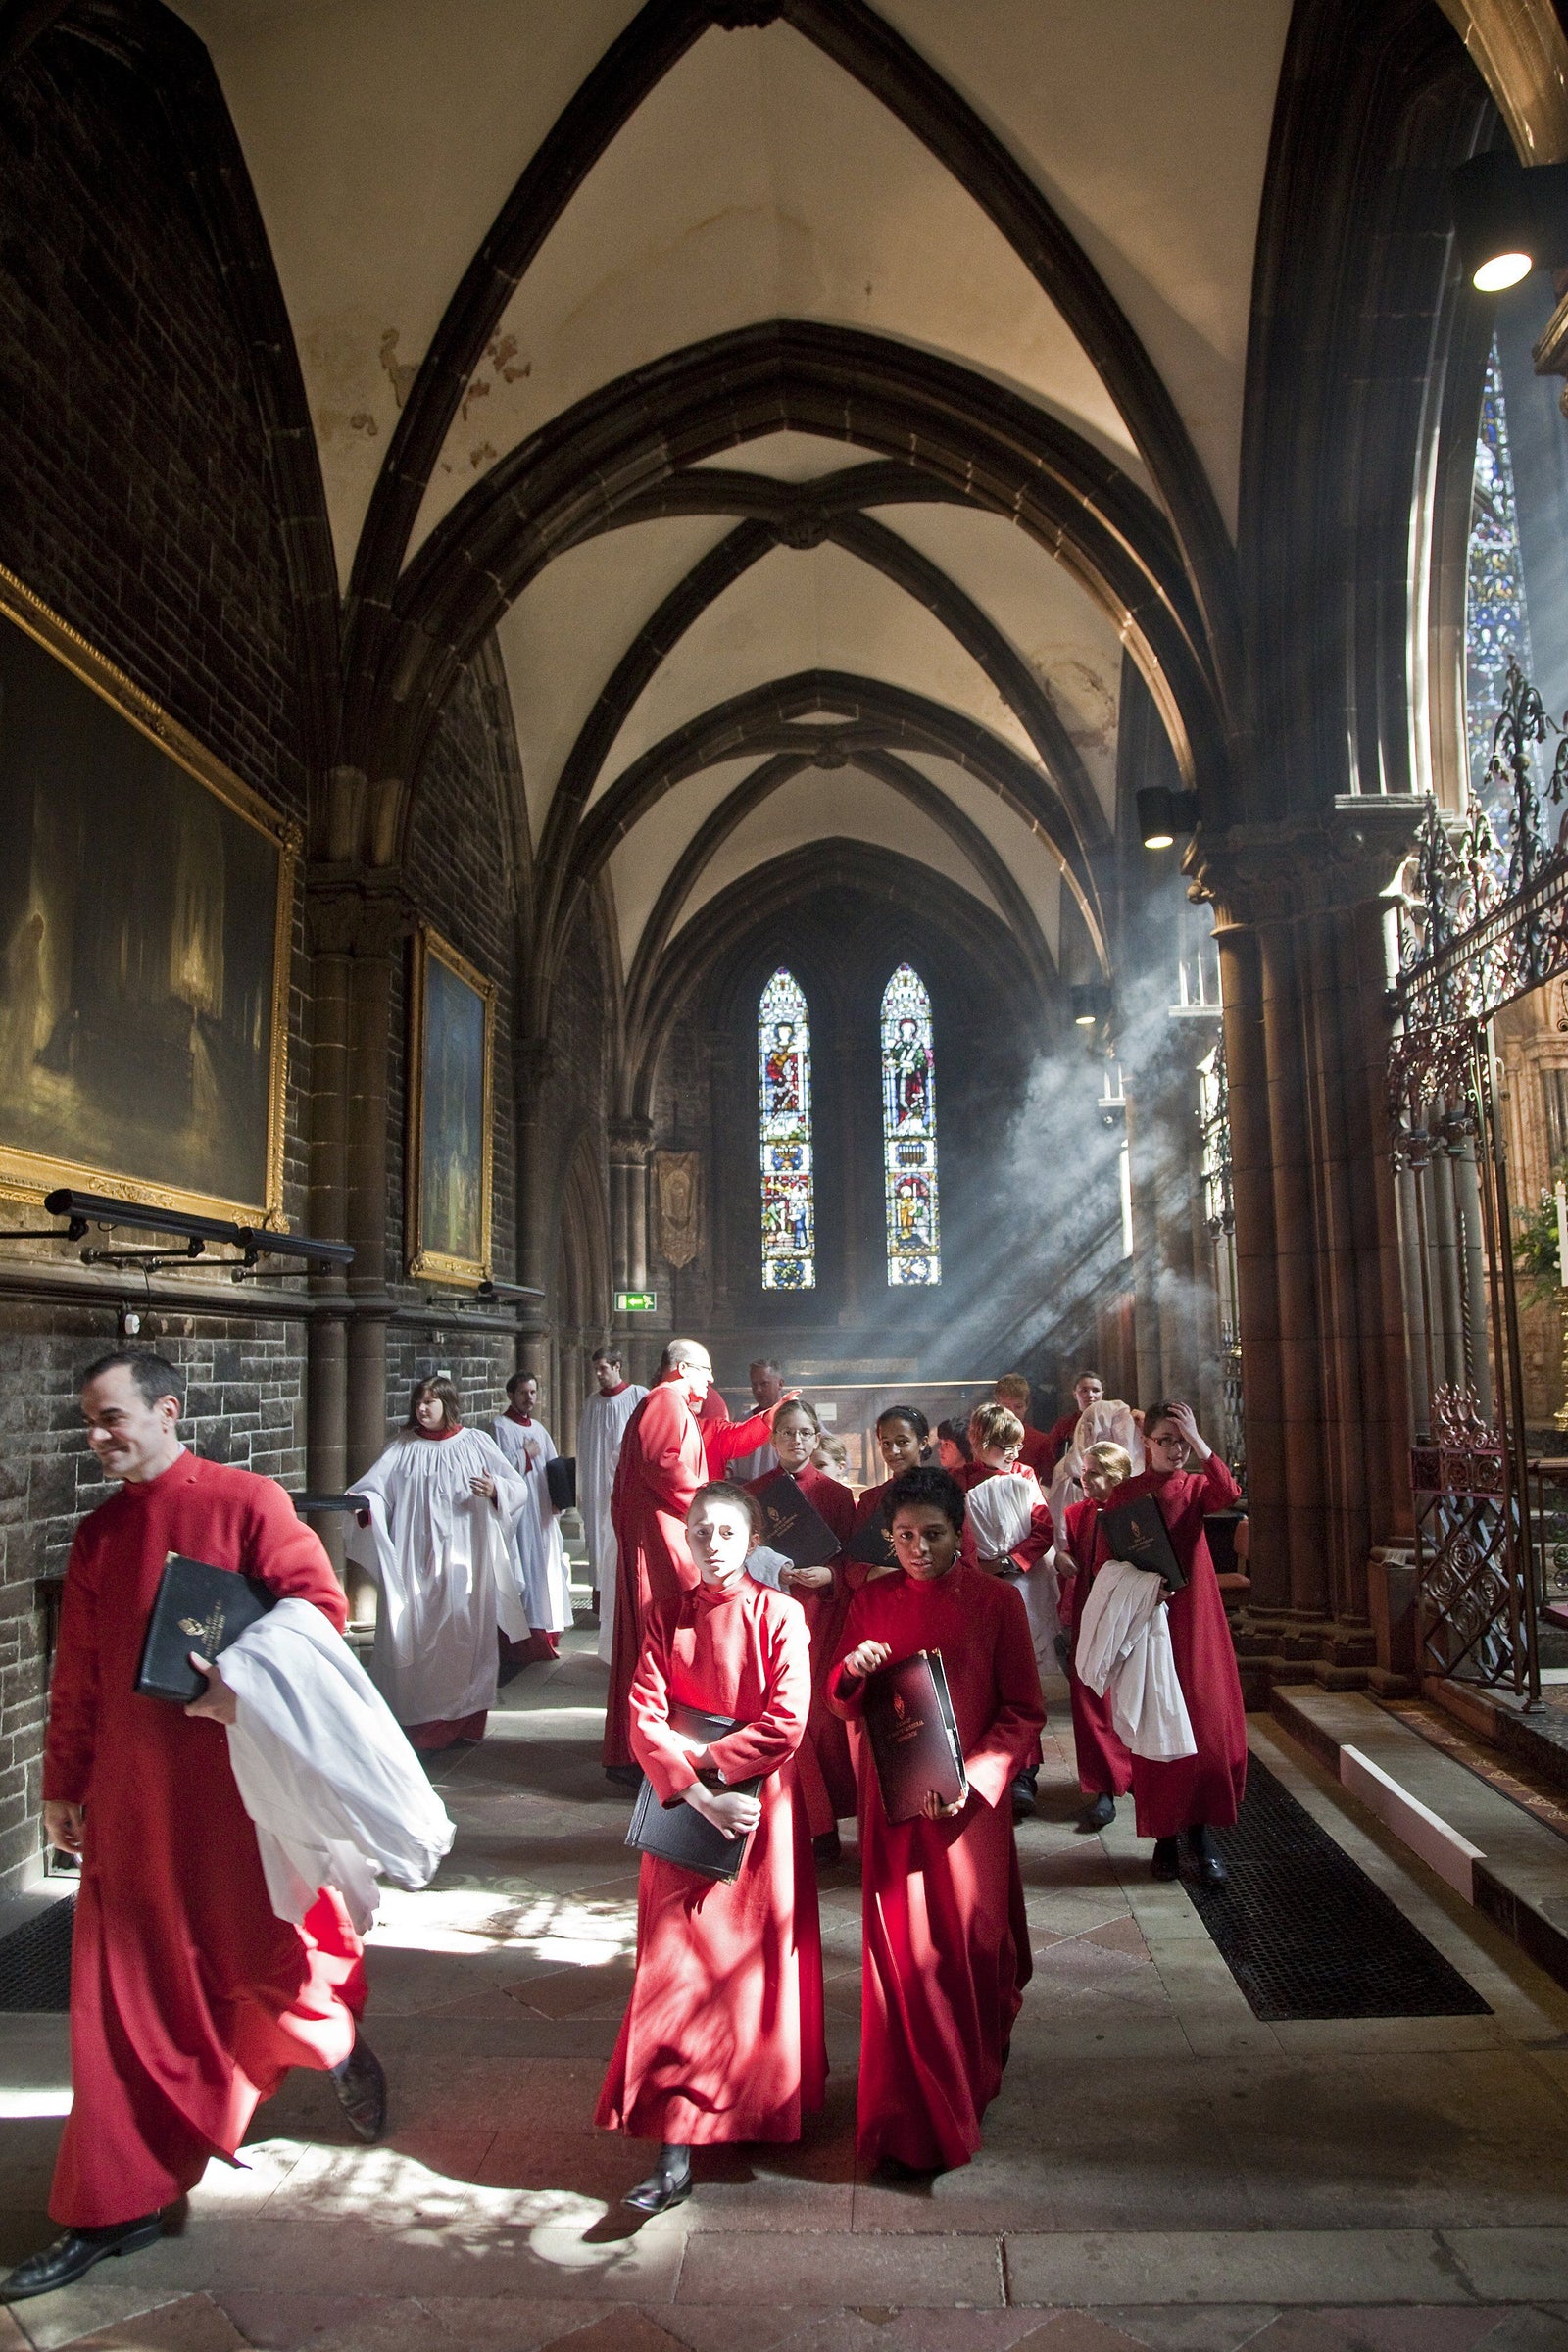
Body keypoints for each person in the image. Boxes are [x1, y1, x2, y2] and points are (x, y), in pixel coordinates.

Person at [2, 1353, 384, 2304]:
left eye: (112, 1419)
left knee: (249, 1959)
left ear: (167, 1410)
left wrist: (239, 1682)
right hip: (132, 1800)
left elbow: (318, 1610)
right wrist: (63, 1784)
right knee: (114, 1997)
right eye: (90, 1422)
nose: (98, 1438)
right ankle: (111, 2203)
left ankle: (331, 2033)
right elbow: (81, 1674)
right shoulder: (97, 1535)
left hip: (225, 1792)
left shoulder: (246, 1502)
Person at [596, 1481, 825, 2212]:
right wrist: (699, 1793)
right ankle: (674, 2143)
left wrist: (716, 1773)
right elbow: (644, 1717)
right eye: (701, 1533)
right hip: (687, 1815)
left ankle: (753, 2104)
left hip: (759, 1819)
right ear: (687, 1540)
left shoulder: (781, 1613)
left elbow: (787, 1722)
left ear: (752, 1540)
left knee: (751, 1969)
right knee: (675, 1968)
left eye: (727, 1533)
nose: (714, 1546)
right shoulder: (665, 1616)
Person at [828, 1466, 1045, 2177]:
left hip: (967, 1815)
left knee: (971, 1948)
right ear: (888, 1538)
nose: (919, 1548)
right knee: (902, 1963)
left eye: (934, 1534)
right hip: (896, 1810)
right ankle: (908, 2122)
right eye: (905, 1536)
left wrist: (977, 1781)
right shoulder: (871, 1598)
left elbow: (1023, 1713)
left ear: (961, 1534)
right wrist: (852, 1673)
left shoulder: (997, 1604)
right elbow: (841, 1701)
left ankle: (971, 2073)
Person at [602, 1338, 781, 1778]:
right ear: (681, 1369)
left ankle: (651, 1744)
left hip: (666, 1531)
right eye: (705, 1371)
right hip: (664, 1539)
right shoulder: (665, 1401)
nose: (712, 1380)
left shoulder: (672, 1404)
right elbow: (665, 1466)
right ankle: (650, 1748)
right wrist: (711, 1505)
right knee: (664, 1632)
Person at [1085, 1400, 1246, 1885]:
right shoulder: (1126, 1494)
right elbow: (1106, 1564)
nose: (1175, 1450)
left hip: (1197, 1619)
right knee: (1156, 1725)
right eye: (1166, 1440)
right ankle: (1165, 1839)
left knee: (1204, 1727)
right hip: (1148, 1620)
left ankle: (1202, 1836)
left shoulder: (1195, 1486)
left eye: (1182, 1441)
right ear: (1146, 1442)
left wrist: (1200, 1442)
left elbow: (1228, 1492)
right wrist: (1141, 1585)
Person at [347, 1375, 529, 1750]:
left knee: (464, 1633)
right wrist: (370, 1509)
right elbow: (372, 1490)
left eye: (430, 1402)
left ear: (448, 1404)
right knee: (414, 1629)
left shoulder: (475, 1443)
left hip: (467, 1557)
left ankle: (464, 1720)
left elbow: (517, 1487)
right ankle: (419, 1723)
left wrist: (496, 1490)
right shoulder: (401, 1447)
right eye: (418, 1403)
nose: (422, 1409)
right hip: (414, 1559)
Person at [748, 1397, 858, 1863]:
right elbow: (745, 1551)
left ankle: (828, 1820)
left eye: (805, 1433)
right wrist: (774, 1569)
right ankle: (809, 1824)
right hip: (774, 1613)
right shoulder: (755, 1492)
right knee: (786, 1716)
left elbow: (851, 1558)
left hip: (823, 1616)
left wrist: (830, 1576)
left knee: (820, 1719)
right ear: (773, 1439)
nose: (796, 1441)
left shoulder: (834, 1494)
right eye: (787, 1433)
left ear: (817, 1437)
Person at [958, 1403, 1054, 1820]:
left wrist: (1014, 1562)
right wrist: (978, 1566)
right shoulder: (958, 1481)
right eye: (1004, 1446)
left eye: (1018, 1445)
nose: (1014, 1453)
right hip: (976, 1587)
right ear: (980, 1443)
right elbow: (954, 1532)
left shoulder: (1026, 1476)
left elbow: (1043, 1527)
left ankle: (1025, 1773)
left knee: (1022, 1677)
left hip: (1021, 1586)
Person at [1056, 1440, 1136, 1835]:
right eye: (1084, 1472)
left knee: (1131, 1699)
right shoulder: (1076, 1513)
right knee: (1090, 1700)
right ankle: (1103, 1785)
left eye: (1095, 1472)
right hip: (1090, 1616)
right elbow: (1069, 1554)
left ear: (1118, 1477)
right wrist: (1062, 1559)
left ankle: (1135, 1772)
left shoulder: (1134, 1514)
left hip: (1129, 1620)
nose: (1085, 1479)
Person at [492, 1371, 573, 1663]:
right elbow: (498, 1470)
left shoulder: (539, 1428)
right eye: (524, 1392)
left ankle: (547, 1631)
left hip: (541, 1511)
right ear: (511, 1394)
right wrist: (524, 1456)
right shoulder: (499, 1427)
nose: (530, 1398)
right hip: (519, 1514)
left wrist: (559, 1500)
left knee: (546, 1569)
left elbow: (553, 1466)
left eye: (534, 1392)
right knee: (523, 1567)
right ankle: (526, 1637)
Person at [579, 1348, 647, 1644]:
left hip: (628, 1483)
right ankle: (604, 1607)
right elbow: (585, 1449)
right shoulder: (592, 1404)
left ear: (618, 1366)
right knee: (599, 1541)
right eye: (596, 1368)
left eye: (604, 1368)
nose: (598, 1373)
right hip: (598, 1486)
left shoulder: (639, 1396)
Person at [726, 1359, 785, 1482]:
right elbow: (730, 1461)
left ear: (780, 1384)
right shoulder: (742, 1420)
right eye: (754, 1385)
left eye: (764, 1384)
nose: (758, 1390)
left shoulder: (799, 1418)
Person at [992, 1374, 1054, 1478]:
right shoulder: (984, 1438)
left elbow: (1047, 1481)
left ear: (1027, 1406)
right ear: (996, 1405)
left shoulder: (1040, 1441)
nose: (1012, 1412)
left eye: (1018, 1406)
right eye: (1007, 1407)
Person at [1041, 1370, 1105, 1467]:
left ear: (1102, 1393)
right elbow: (1050, 1454)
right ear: (1075, 1394)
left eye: (1095, 1390)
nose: (1090, 1395)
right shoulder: (1064, 1425)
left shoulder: (1112, 1421)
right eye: (1084, 1390)